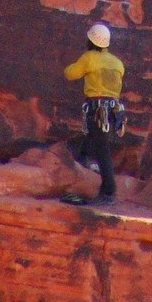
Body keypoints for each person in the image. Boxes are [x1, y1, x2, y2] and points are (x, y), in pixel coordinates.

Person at [64, 22, 126, 202]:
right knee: (94, 136)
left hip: (97, 107)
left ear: (90, 40)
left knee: (102, 148)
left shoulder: (89, 57)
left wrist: (77, 65)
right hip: (113, 110)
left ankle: (108, 191)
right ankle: (82, 158)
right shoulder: (117, 63)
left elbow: (70, 74)